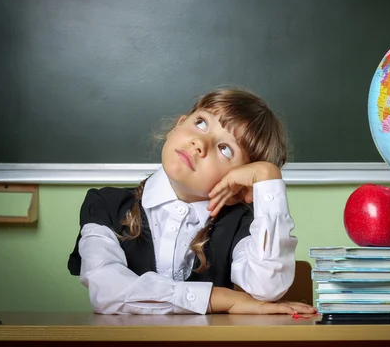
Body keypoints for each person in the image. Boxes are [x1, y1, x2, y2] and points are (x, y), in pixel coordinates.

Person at [67, 87, 316, 316]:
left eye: (225, 149)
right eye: (201, 123)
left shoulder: (241, 223)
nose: (200, 144)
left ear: (240, 185)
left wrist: (268, 179)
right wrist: (224, 299)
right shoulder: (104, 205)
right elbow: (108, 291)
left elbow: (266, 288)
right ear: (179, 125)